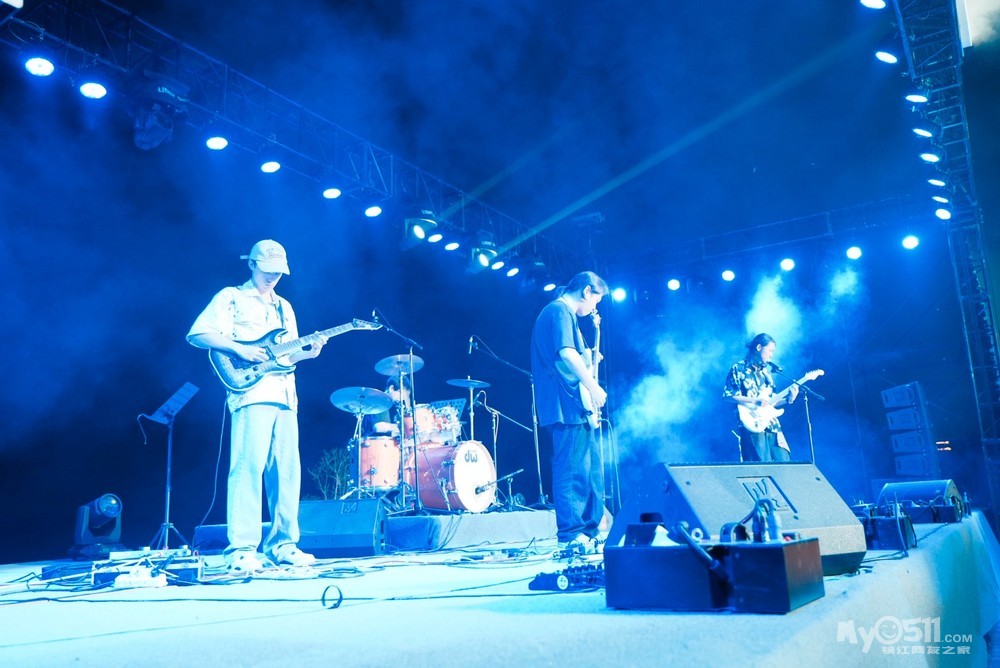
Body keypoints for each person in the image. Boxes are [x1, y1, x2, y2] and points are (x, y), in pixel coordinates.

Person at [187, 239, 327, 574]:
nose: (272, 277)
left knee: (287, 473)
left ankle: (284, 545)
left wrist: (308, 353)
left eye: (278, 272)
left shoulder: (285, 307)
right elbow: (198, 333)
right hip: (251, 393)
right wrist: (240, 349)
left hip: (286, 396)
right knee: (247, 469)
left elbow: (286, 355)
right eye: (267, 270)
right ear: (251, 265)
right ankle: (241, 549)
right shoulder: (231, 297)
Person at [530, 271, 609, 554]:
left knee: (590, 471)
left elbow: (571, 356)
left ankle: (589, 530)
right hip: (565, 404)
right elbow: (566, 353)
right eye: (596, 300)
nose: (595, 307)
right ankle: (570, 533)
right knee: (572, 469)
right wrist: (594, 387)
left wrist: (589, 358)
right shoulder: (560, 311)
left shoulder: (564, 315)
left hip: (574, 405)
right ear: (587, 291)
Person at [723, 332, 799, 462]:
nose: (771, 354)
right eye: (770, 350)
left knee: (785, 463)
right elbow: (728, 396)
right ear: (759, 348)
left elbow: (771, 402)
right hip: (752, 425)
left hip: (773, 425)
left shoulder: (766, 373)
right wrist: (755, 401)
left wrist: (789, 399)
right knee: (762, 464)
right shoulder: (738, 368)